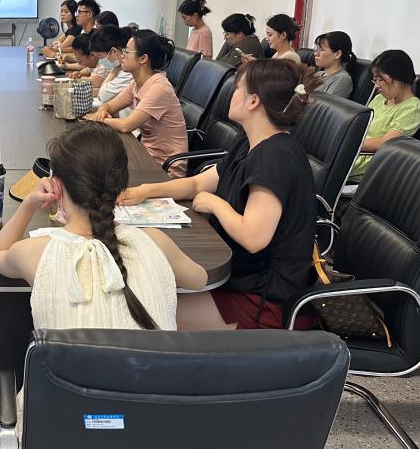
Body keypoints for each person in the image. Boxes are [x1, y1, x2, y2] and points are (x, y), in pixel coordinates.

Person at [120, 59, 320, 330]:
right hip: (239, 277)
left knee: (146, 308)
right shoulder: (249, 143)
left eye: (237, 88)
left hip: (262, 300)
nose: (232, 94)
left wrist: (216, 204)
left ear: (253, 101)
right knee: (149, 284)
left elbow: (254, 238)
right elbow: (197, 184)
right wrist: (147, 191)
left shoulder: (274, 158)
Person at [0, 122, 206, 332]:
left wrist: (29, 204)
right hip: (158, 359)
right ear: (121, 186)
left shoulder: (33, 253)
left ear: (57, 187)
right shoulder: (156, 241)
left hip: (66, 361)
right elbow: (200, 280)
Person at [84, 29, 188, 171]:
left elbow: (126, 125)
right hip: (144, 153)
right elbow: (109, 106)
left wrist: (98, 119)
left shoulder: (159, 88)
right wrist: (102, 111)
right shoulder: (136, 83)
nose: (122, 56)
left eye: (126, 52)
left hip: (164, 167)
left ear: (143, 58)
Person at [348, 49, 420, 181]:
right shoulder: (380, 99)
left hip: (367, 158)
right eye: (375, 80)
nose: (376, 86)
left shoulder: (413, 108)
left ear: (399, 78)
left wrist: (348, 142)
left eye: (381, 80)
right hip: (353, 151)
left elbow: (385, 143)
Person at [90, 25, 135, 111]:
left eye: (101, 57)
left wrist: (114, 71)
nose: (101, 61)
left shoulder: (128, 72)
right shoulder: (122, 69)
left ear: (113, 51)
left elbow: (103, 96)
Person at [312, 30, 356, 99]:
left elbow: (326, 104)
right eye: (316, 49)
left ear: (337, 54)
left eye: (321, 50)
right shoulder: (318, 74)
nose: (315, 53)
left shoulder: (342, 79)